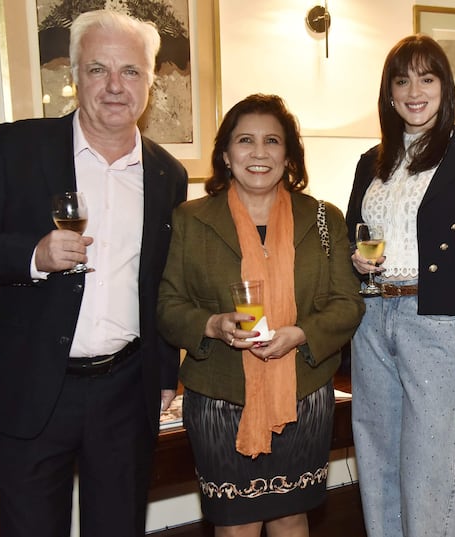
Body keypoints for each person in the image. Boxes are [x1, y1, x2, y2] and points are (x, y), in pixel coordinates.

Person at [0, 10, 188, 537]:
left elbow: (164, 283)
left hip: (126, 392)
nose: (115, 86)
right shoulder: (16, 148)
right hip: (34, 387)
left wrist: (166, 374)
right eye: (99, 70)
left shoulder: (168, 174)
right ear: (74, 76)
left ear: (151, 80)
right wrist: (33, 255)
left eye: (131, 71)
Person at [156, 93, 364, 537]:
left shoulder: (324, 218)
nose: (259, 152)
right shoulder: (192, 220)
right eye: (245, 140)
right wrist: (212, 324)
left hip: (303, 396)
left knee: (291, 517)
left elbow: (348, 303)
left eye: (272, 140)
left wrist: (301, 333)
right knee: (237, 523)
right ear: (226, 154)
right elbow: (168, 305)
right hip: (219, 398)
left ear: (288, 155)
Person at [346, 35, 455, 537]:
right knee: (377, 461)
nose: (414, 90)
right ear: (389, 92)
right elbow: (358, 236)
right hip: (372, 321)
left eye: (427, 78)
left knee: (432, 471)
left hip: (434, 324)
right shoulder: (371, 162)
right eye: (402, 79)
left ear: (445, 87)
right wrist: (357, 262)